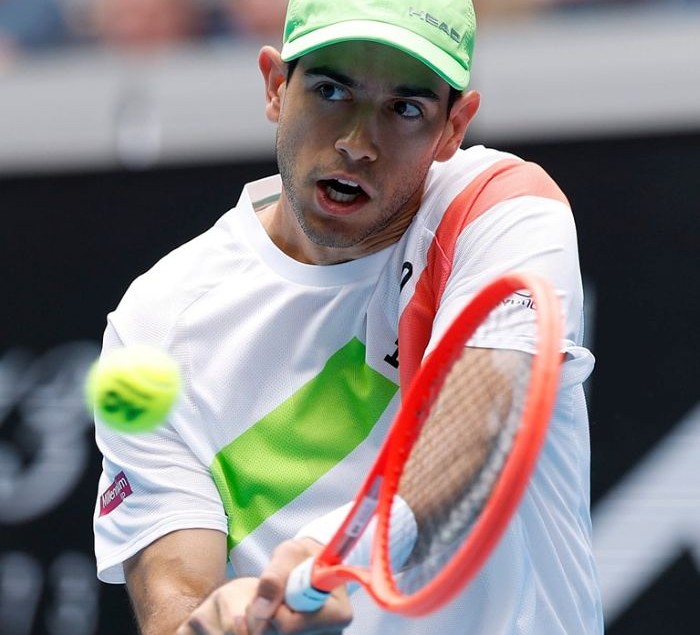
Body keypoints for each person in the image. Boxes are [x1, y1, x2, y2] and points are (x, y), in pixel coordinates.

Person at [92, 0, 604, 633]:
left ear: (454, 127)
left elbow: (479, 427)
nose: (358, 143)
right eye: (332, 91)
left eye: (405, 108)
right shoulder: (155, 325)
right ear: (276, 87)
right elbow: (176, 600)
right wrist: (219, 622)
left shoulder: (500, 211)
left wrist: (327, 555)